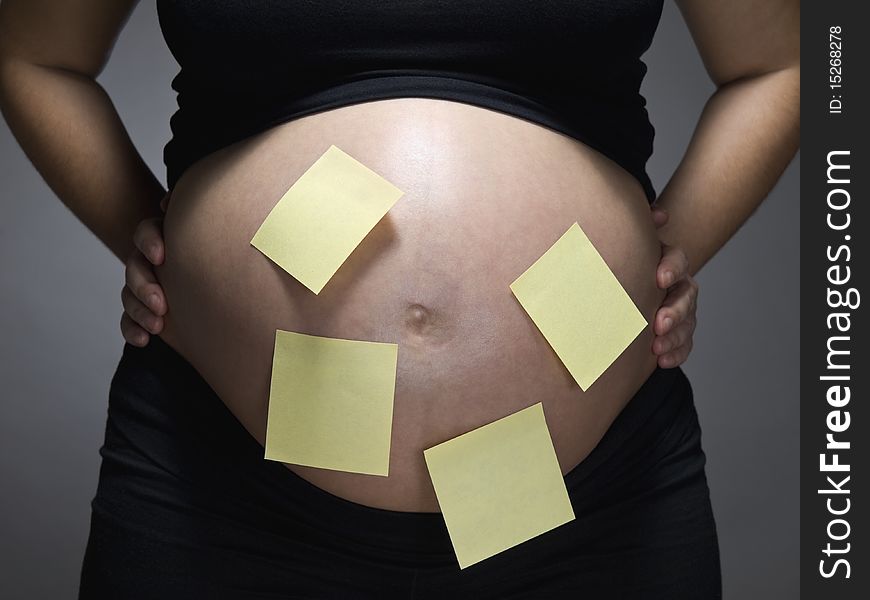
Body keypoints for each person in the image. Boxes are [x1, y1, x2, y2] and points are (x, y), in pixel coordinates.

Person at [0, 0, 799, 597]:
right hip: (220, 483)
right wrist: (148, 232)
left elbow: (793, 59)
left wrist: (661, 260)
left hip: (581, 504)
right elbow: (33, 52)